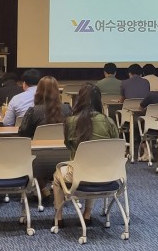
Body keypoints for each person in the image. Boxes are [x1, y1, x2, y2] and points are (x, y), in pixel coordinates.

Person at [52, 83, 118, 227]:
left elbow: (68, 145)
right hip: (107, 174)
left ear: (79, 99)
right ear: (99, 100)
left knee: (57, 176)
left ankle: (59, 217)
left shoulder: (71, 121)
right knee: (94, 165)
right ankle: (87, 214)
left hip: (79, 175)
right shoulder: (109, 122)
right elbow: (116, 146)